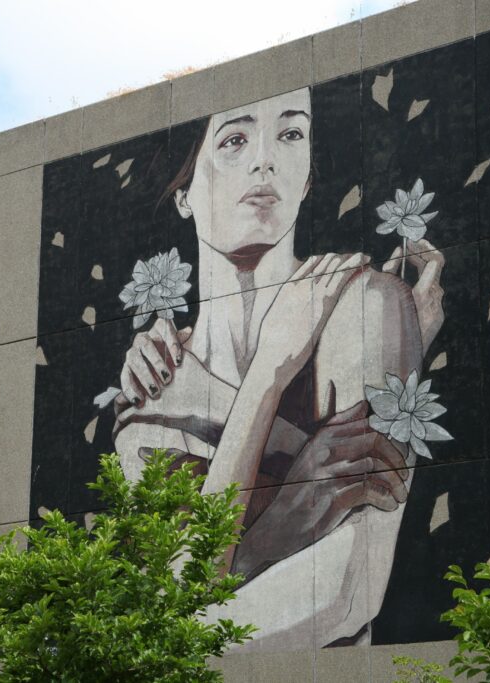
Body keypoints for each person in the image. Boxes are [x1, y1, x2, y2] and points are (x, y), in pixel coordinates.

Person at [111, 87, 446, 649]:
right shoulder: (152, 382)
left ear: (308, 175)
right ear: (183, 194)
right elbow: (182, 584)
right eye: (235, 140)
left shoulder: (369, 306)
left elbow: (346, 593)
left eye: (290, 134)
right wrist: (269, 373)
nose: (264, 159)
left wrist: (172, 638)